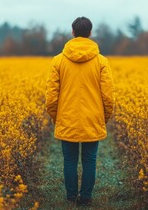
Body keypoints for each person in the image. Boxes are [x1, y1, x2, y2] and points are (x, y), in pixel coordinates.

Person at [45, 16, 115, 206]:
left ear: (73, 32)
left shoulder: (58, 61)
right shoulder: (101, 61)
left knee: (69, 160)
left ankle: (70, 197)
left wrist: (56, 117)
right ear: (90, 33)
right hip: (93, 118)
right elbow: (108, 96)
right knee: (90, 160)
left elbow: (51, 97)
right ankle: (85, 198)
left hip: (67, 118)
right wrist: (104, 117)